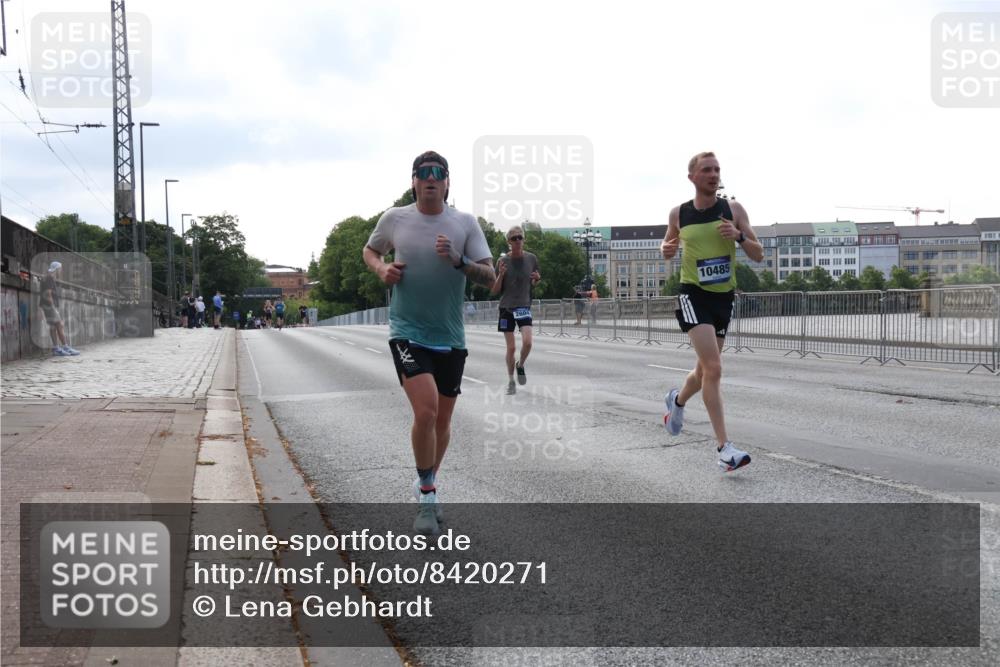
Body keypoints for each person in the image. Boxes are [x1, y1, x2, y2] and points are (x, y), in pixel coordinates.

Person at [363, 150, 494, 535]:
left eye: (438, 172)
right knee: (426, 411)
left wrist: (458, 260)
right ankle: (427, 494)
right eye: (424, 173)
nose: (431, 178)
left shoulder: (465, 223)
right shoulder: (395, 218)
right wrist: (381, 269)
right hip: (407, 331)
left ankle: (428, 486)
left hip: (450, 336)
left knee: (443, 421)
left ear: (448, 182)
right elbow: (371, 250)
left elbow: (489, 277)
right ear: (414, 181)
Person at [661, 151, 763, 472]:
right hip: (693, 295)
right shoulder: (679, 214)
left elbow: (758, 254)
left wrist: (739, 236)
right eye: (706, 169)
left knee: (704, 371)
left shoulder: (733, 209)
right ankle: (724, 449)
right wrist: (666, 248)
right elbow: (667, 249)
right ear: (692, 176)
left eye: (717, 169)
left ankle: (677, 401)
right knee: (715, 368)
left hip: (723, 297)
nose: (713, 174)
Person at [490, 225, 540, 395]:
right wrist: (501, 275)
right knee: (511, 348)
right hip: (506, 308)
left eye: (520, 237)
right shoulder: (502, 261)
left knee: (528, 342)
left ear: (524, 239)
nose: (518, 240)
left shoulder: (532, 258)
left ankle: (520, 365)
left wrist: (537, 279)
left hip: (523, 306)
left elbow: (534, 280)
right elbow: (495, 290)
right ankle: (511, 381)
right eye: (514, 238)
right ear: (509, 242)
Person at [39, 261, 79, 356]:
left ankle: (56, 348)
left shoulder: (47, 278)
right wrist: (53, 307)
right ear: (56, 269)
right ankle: (65, 347)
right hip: (49, 306)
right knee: (59, 325)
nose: (61, 271)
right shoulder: (49, 278)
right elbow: (48, 294)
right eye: (60, 269)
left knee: (53, 326)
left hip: (46, 306)